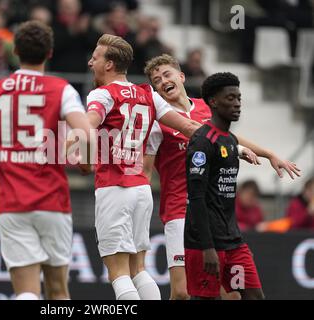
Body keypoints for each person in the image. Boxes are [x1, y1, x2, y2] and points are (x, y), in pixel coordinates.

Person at [142, 54, 300, 300]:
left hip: (214, 212)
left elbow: (231, 139)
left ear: (181, 77)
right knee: (182, 293)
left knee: (233, 294)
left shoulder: (206, 107)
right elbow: (146, 168)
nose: (163, 81)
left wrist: (268, 154)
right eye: (156, 80)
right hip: (180, 212)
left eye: (166, 74)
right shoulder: (159, 121)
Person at [0, 21, 92, 300]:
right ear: (50, 53)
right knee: (58, 291)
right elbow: (86, 133)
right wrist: (83, 160)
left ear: (15, 51)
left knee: (26, 292)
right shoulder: (61, 89)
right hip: (53, 200)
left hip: (11, 201)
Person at [84, 34, 202, 300]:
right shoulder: (147, 93)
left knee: (118, 272)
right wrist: (234, 147)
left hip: (114, 188)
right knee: (138, 269)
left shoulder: (102, 94)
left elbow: (88, 123)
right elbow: (189, 126)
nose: (91, 62)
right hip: (141, 189)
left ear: (109, 64)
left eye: (96, 57)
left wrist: (75, 144)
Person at [184, 72, 265, 300]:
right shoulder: (201, 141)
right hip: (205, 244)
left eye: (239, 98)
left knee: (254, 296)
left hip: (233, 241)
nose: (237, 103)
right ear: (213, 102)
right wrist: (207, 248)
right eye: (230, 98)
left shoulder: (230, 140)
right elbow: (196, 198)